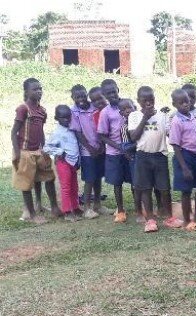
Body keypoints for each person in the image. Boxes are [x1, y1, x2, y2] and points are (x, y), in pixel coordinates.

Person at [129, 86, 182, 232]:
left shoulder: (162, 115)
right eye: (144, 100)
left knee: (164, 189)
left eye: (151, 99)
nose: (148, 103)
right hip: (142, 156)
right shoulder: (134, 116)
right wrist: (145, 117)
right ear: (138, 101)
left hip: (160, 156)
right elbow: (133, 137)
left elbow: (170, 134)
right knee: (146, 189)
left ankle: (169, 217)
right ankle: (150, 219)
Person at [11, 77, 60, 224]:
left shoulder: (42, 110)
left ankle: (53, 207)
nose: (39, 91)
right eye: (35, 89)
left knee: (48, 177)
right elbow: (14, 132)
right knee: (26, 183)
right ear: (26, 91)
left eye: (40, 88)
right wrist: (18, 153)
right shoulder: (23, 109)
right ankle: (31, 214)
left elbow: (41, 131)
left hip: (38, 150)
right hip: (24, 151)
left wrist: (45, 149)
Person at [98, 79, 135, 223]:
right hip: (115, 153)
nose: (112, 95)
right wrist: (119, 147)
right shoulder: (105, 112)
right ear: (104, 95)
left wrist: (131, 146)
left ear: (118, 89)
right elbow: (102, 135)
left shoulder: (128, 104)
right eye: (108, 93)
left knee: (134, 180)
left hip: (131, 151)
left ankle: (139, 207)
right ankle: (120, 210)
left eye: (113, 91)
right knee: (117, 182)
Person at [169, 89, 196, 231]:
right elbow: (175, 145)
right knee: (186, 190)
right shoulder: (176, 121)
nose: (186, 104)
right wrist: (184, 167)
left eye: (187, 101)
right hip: (184, 156)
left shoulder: (195, 117)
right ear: (175, 104)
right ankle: (186, 220)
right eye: (182, 102)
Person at [70, 84, 108, 219]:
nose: (81, 99)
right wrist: (90, 148)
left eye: (83, 95)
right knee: (89, 179)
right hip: (87, 151)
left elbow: (102, 126)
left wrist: (102, 145)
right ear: (72, 97)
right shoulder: (74, 112)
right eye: (77, 96)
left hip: (100, 147)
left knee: (98, 177)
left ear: (87, 95)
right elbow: (79, 134)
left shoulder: (94, 107)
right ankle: (86, 208)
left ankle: (97, 204)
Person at [43, 105, 81, 222]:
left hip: (73, 162)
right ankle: (67, 211)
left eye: (68, 117)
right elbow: (46, 148)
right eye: (63, 118)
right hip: (63, 162)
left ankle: (76, 207)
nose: (67, 120)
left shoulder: (72, 129)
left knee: (74, 186)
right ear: (56, 118)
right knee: (66, 187)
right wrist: (60, 152)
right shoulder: (57, 133)